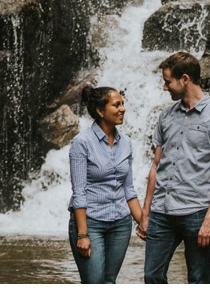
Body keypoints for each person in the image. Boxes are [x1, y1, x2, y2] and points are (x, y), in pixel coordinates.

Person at [138, 52, 210, 284]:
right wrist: (146, 213)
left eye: (168, 81)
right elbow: (155, 165)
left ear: (185, 79)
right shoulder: (166, 116)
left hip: (196, 213)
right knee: (152, 276)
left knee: (198, 279)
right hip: (162, 211)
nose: (164, 87)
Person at [68, 86, 144, 284]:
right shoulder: (81, 142)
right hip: (91, 222)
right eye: (116, 105)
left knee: (109, 281)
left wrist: (143, 223)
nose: (122, 109)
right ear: (100, 111)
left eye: (123, 104)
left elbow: (128, 189)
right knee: (94, 282)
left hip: (120, 223)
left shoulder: (126, 143)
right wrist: (82, 234)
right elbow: (79, 192)